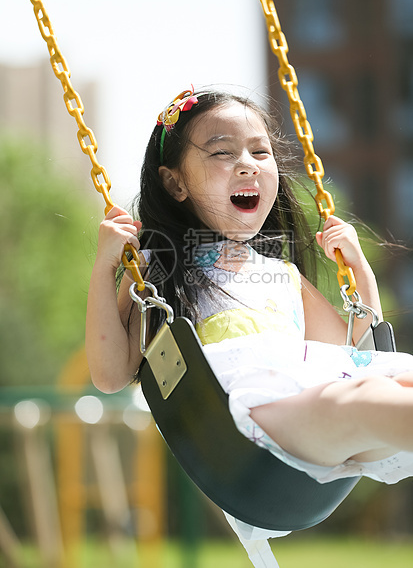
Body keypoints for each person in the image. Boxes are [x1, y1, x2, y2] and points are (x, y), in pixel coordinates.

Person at [86, 87, 413, 566]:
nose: (248, 164)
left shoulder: (283, 276)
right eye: (223, 152)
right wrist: (104, 266)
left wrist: (360, 273)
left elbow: (355, 350)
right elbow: (111, 374)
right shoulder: (162, 272)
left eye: (260, 151)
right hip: (249, 435)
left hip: (317, 427)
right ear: (176, 184)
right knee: (361, 401)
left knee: (396, 382)